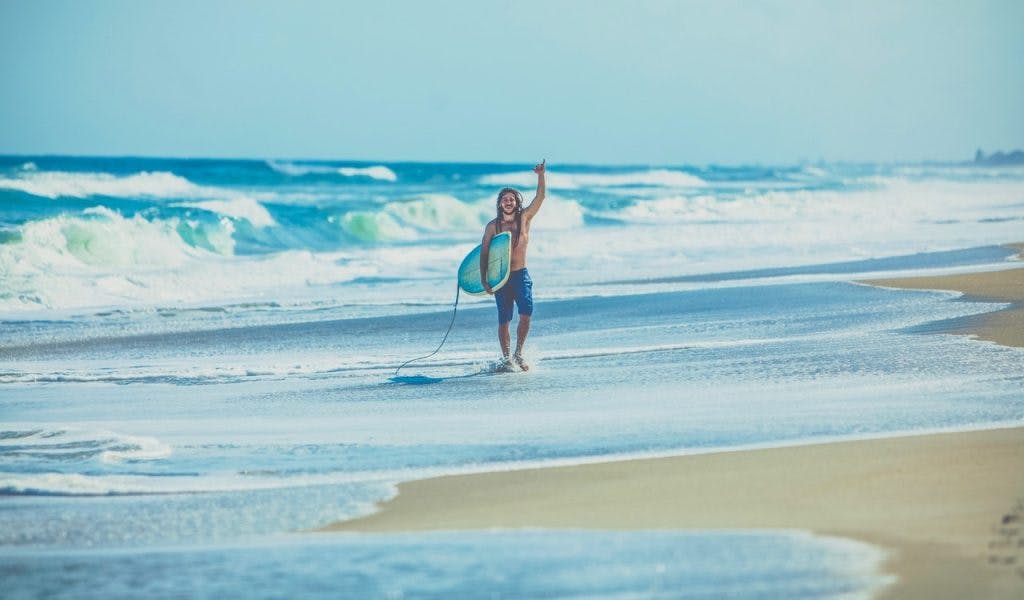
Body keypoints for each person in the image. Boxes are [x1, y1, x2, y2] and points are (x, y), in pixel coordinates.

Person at [480, 159, 546, 371]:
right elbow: (484, 253)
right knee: (504, 320)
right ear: (500, 203)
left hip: (520, 275)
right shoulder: (493, 226)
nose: (508, 202)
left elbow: (540, 197)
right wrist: (484, 279)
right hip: (501, 278)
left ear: (517, 203)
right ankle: (507, 358)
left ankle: (518, 353)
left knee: (526, 313)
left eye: (512, 199)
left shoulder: (525, 218)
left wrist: (541, 176)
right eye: (504, 199)